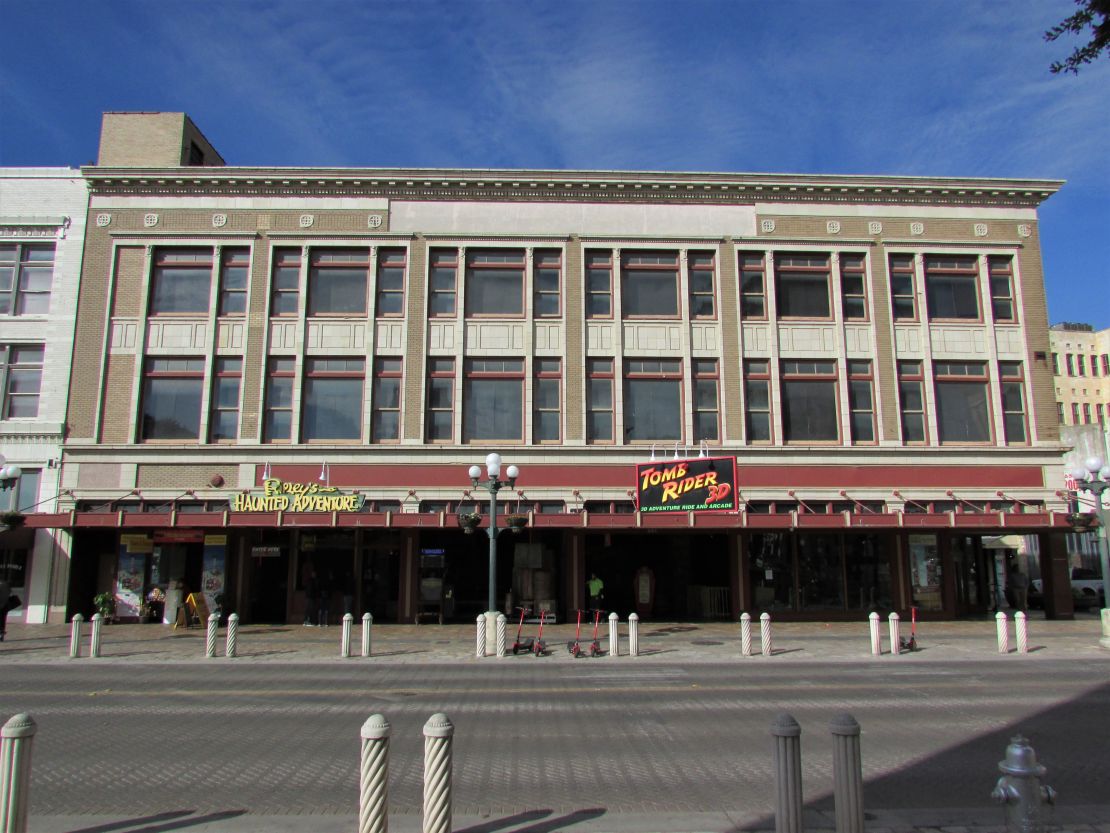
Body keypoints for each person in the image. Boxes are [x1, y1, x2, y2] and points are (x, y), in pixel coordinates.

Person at [0, 575, 10, 641]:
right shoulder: (5, 584)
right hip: (5, 605)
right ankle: (1, 635)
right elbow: (9, 592)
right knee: (2, 620)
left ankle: (1, 634)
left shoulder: (2, 585)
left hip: (1, 605)